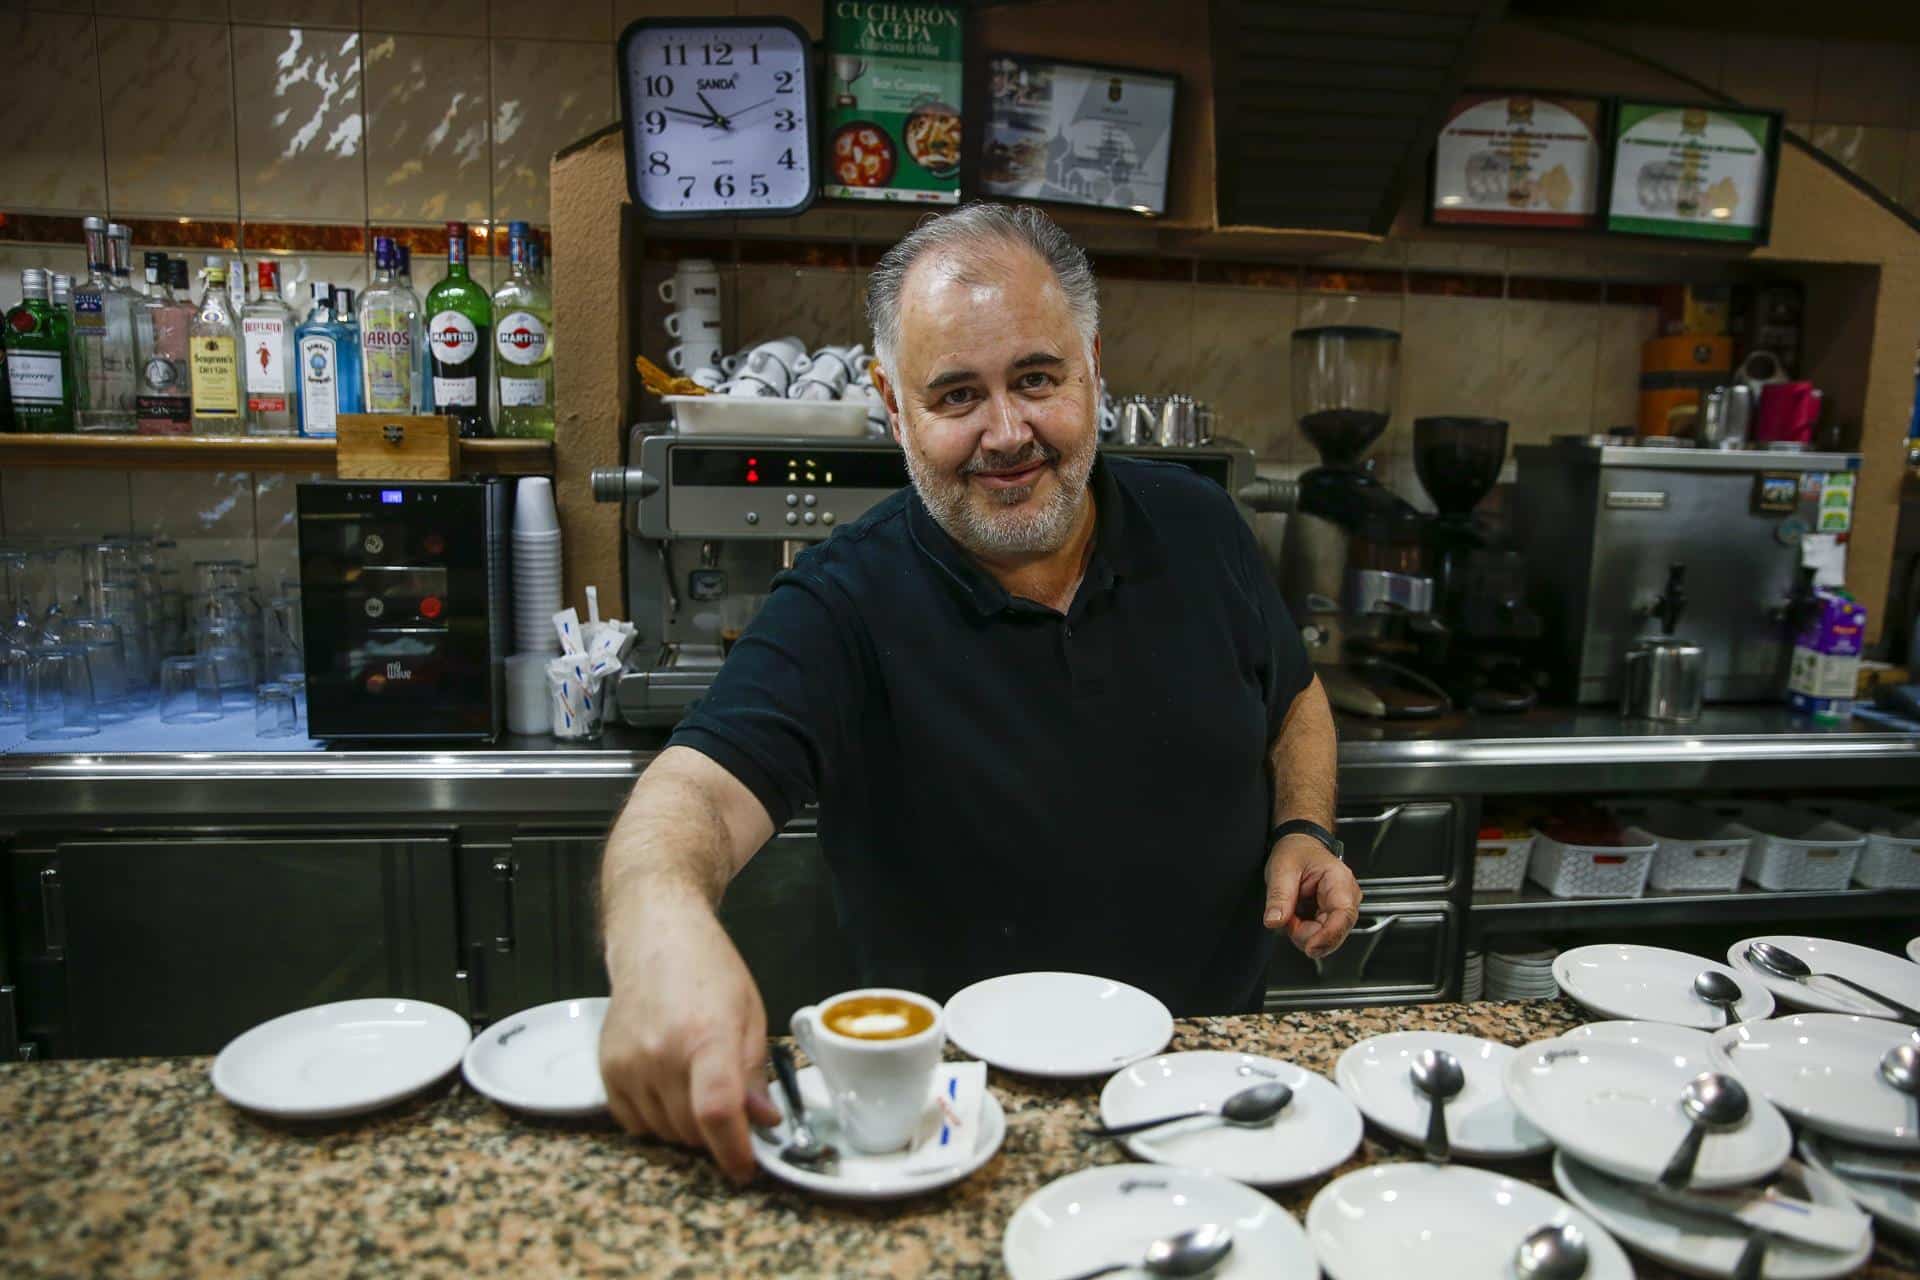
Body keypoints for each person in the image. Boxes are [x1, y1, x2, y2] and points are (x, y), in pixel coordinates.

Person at [597, 203, 1361, 1181]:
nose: (1008, 433)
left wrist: (1306, 825)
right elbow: (692, 794)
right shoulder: (845, 601)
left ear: (1093, 364)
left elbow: (1293, 695)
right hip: (960, 1119)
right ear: (892, 404)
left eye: (1037, 379)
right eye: (956, 394)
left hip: (1208, 1085)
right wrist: (657, 930)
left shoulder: (1205, 527)